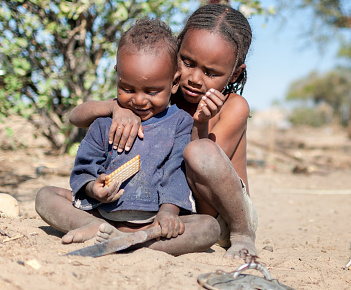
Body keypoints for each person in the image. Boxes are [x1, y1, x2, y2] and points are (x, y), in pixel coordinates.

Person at [68, 4, 257, 258]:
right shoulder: (161, 94)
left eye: (211, 73)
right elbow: (76, 117)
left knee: (198, 151)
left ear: (235, 73)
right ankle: (130, 237)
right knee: (58, 196)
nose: (195, 78)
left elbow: (202, 178)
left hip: (223, 214)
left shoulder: (234, 107)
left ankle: (243, 236)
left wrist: (200, 123)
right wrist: (115, 108)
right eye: (187, 62)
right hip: (166, 210)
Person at [35, 18, 220, 256]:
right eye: (128, 89)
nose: (139, 100)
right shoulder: (106, 120)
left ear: (174, 82)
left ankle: (134, 241)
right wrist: (93, 187)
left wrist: (169, 212)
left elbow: (177, 172)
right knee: (45, 196)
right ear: (117, 75)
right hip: (102, 214)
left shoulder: (179, 123)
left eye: (152, 91)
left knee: (208, 228)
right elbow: (85, 163)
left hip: (151, 222)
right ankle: (95, 229)